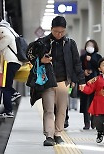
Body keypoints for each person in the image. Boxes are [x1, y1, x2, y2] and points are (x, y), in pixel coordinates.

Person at [26, 16, 85, 146]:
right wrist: (40, 60)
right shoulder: (42, 42)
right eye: (56, 31)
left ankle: (58, 133)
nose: (59, 34)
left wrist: (81, 81)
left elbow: (77, 63)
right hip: (46, 81)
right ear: (51, 29)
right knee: (48, 109)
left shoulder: (70, 43)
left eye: (62, 32)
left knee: (62, 109)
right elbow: (29, 55)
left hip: (64, 81)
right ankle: (49, 136)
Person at [0, 16, 22, 118]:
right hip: (14, 61)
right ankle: (14, 93)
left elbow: (8, 38)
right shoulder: (7, 27)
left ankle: (8, 111)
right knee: (4, 85)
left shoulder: (1, 28)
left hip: (10, 61)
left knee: (5, 87)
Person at [80, 40, 102, 130]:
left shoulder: (98, 56)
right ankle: (86, 122)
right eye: (88, 45)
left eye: (91, 45)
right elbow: (78, 67)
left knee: (95, 102)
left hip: (95, 82)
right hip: (84, 82)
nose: (89, 47)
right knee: (85, 103)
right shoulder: (82, 57)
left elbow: (99, 67)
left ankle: (94, 121)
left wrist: (91, 60)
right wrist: (83, 72)